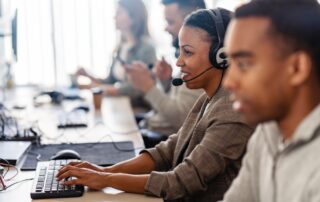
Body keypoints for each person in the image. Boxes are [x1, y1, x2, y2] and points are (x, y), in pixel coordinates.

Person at [57, 8, 254, 201]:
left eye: (188, 52)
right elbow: (167, 152)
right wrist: (104, 171)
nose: (179, 62)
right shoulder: (209, 98)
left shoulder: (231, 110)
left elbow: (180, 182)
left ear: (221, 56)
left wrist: (107, 179)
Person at [221, 0, 320, 201]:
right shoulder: (267, 132)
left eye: (243, 64)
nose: (228, 82)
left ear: (297, 68)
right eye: (229, 64)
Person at [125, 0, 206, 148]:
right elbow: (177, 104)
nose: (166, 28)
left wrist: (149, 87)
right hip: (153, 128)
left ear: (191, 21)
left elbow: (181, 119)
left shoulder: (201, 65)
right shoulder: (186, 61)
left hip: (161, 140)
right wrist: (166, 82)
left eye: (170, 22)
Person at [75, 0, 156, 109]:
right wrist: (88, 75)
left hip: (137, 110)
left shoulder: (147, 49)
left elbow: (136, 87)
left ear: (133, 18)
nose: (114, 17)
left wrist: (94, 87)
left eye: (119, 12)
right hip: (119, 106)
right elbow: (111, 81)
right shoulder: (120, 47)